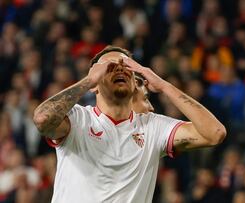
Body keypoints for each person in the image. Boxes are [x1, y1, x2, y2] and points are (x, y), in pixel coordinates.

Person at [32, 46, 226, 203]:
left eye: (126, 66)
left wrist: (164, 85)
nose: (119, 68)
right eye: (109, 66)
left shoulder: (152, 127)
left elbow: (215, 133)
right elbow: (42, 119)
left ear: (135, 83)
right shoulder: (78, 119)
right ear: (95, 84)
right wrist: (88, 80)